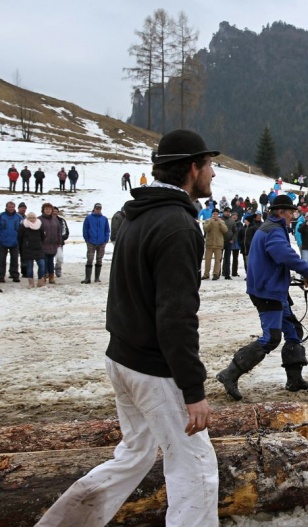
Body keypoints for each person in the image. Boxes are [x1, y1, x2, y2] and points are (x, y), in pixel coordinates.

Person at [36, 128, 220, 527]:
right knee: (196, 467)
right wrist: (193, 390)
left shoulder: (139, 215)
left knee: (134, 455)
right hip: (154, 369)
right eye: (209, 165)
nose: (213, 174)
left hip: (122, 357)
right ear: (192, 168)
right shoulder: (178, 226)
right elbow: (176, 316)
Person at [215, 194, 308, 400]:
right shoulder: (274, 230)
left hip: (273, 289)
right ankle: (229, 374)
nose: (293, 216)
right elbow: (284, 255)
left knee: (293, 331)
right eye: (291, 212)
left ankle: (294, 380)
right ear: (280, 212)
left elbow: (278, 258)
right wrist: (307, 273)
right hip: (267, 291)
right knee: (271, 338)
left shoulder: (272, 227)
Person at [81, 203, 111, 284]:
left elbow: (107, 230)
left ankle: (97, 278)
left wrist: (105, 239)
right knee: (90, 259)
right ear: (94, 209)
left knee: (99, 259)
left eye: (99, 209)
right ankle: (88, 278)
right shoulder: (88, 218)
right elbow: (85, 229)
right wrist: (87, 239)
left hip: (101, 242)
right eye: (97, 209)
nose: (98, 210)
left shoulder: (104, 219)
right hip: (91, 242)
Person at [17, 211, 46, 288]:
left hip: (38, 248)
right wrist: (24, 245)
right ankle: (31, 283)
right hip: (28, 249)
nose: (32, 219)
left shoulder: (39, 225)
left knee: (42, 265)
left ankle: (40, 281)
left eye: (33, 217)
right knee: (29, 267)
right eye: (30, 218)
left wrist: (40, 243)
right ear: (27, 218)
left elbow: (43, 236)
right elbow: (20, 237)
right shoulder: (23, 225)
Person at [39, 202, 62, 284]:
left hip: (53, 244)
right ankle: (44, 276)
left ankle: (51, 277)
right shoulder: (40, 219)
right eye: (46, 209)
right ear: (43, 210)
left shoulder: (55, 219)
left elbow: (58, 231)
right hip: (43, 244)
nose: (48, 211)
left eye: (49, 209)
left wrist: (59, 241)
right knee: (44, 261)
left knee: (51, 261)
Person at [0, 201, 22, 283]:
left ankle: (14, 275)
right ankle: (1, 276)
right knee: (1, 260)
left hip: (15, 242)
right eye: (9, 207)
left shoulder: (18, 217)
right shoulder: (1, 216)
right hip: (2, 242)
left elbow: (22, 229)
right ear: (6, 207)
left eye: (12, 207)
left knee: (15, 260)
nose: (11, 208)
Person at [202, 208, 226, 280]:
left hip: (218, 244)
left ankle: (216, 274)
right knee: (207, 260)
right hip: (209, 244)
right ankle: (206, 274)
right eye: (214, 214)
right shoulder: (207, 221)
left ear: (218, 215)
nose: (215, 215)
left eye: (216, 214)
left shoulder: (221, 221)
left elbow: (225, 230)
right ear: (212, 214)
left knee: (217, 260)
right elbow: (205, 229)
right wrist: (211, 222)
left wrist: (219, 223)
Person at [52, 205, 70, 278]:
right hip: (48, 243)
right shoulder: (47, 220)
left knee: (59, 258)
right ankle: (49, 271)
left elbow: (66, 231)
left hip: (59, 243)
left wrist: (62, 238)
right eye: (53, 211)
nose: (54, 213)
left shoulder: (61, 220)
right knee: (49, 258)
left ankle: (58, 269)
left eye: (56, 212)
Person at [220, 207, 237, 280]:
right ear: (223, 212)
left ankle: (227, 274)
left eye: (229, 212)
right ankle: (217, 273)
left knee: (227, 259)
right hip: (220, 241)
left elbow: (235, 231)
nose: (227, 213)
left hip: (229, 241)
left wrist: (233, 239)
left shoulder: (232, 221)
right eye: (226, 212)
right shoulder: (220, 219)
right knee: (219, 259)